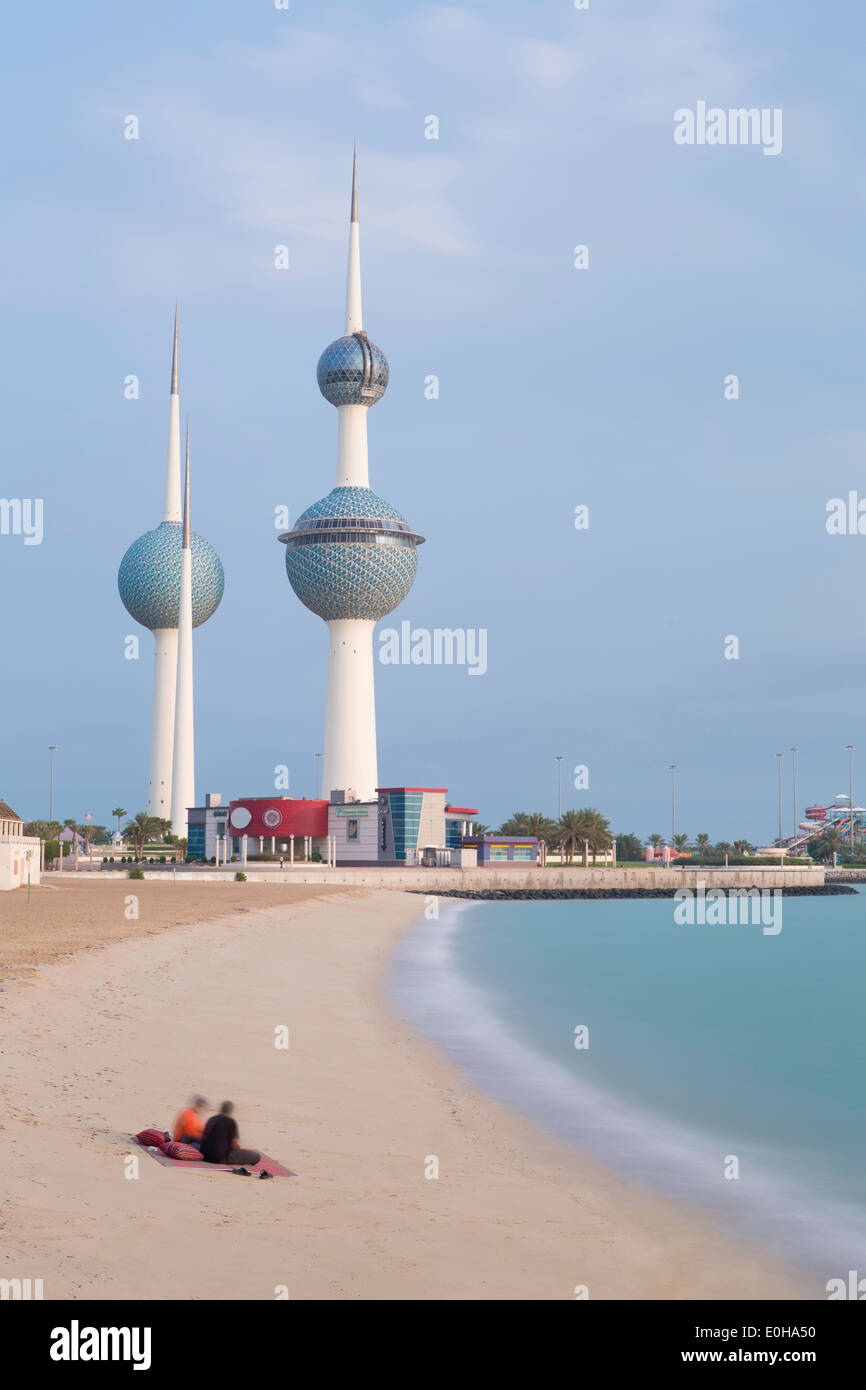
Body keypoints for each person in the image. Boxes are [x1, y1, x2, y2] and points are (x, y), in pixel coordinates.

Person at [200, 1101, 260, 1167]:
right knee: (256, 1156)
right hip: (219, 1158)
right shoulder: (230, 1121)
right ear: (230, 1111)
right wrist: (239, 1151)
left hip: (205, 1156)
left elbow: (203, 1137)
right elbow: (234, 1144)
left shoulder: (211, 1119)